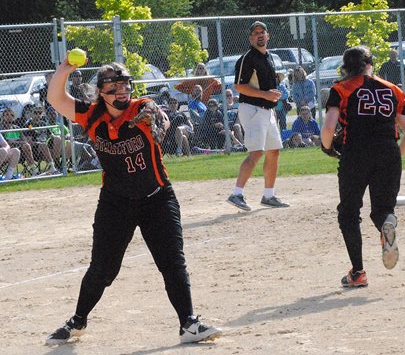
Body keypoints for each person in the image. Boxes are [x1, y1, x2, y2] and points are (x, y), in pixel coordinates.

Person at [44, 59, 221, 345]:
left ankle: (189, 323)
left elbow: (157, 118)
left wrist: (156, 125)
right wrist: (66, 67)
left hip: (157, 198)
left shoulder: (141, 108)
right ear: (101, 92)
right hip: (115, 203)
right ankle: (77, 322)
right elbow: (55, 98)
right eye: (113, 87)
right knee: (103, 269)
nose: (121, 91)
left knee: (172, 262)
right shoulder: (90, 116)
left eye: (125, 84)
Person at [321, 46, 405, 288]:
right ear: (370, 64)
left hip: (356, 153)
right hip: (388, 151)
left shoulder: (341, 89)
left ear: (346, 68)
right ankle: (387, 224)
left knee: (349, 212)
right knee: (382, 210)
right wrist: (396, 155)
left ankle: (358, 272)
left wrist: (328, 148)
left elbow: (329, 127)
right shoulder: (393, 89)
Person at [226, 21, 289, 211]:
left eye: (263, 32)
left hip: (266, 111)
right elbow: (239, 86)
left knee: (274, 150)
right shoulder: (247, 58)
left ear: (268, 36)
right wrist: (265, 95)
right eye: (256, 33)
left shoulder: (268, 57)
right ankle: (236, 194)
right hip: (252, 109)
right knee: (256, 152)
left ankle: (268, 195)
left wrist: (272, 95)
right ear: (251, 38)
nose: (260, 35)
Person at [0, 108, 39, 176]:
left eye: (11, 115)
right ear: (3, 117)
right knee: (23, 145)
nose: (9, 117)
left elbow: (24, 140)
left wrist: (16, 142)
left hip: (21, 152)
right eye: (7, 115)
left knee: (26, 145)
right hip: (9, 152)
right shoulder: (1, 129)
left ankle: (34, 170)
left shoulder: (16, 128)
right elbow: (7, 143)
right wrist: (18, 142)